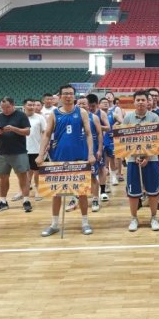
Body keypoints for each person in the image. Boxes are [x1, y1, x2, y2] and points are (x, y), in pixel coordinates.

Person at [36, 84, 96, 236]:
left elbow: (89, 134)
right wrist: (41, 154)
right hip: (59, 157)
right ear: (60, 96)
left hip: (79, 157)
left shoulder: (81, 112)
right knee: (56, 193)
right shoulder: (54, 114)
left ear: (74, 96)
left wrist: (91, 153)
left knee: (82, 192)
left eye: (70, 93)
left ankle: (85, 223)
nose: (68, 96)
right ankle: (54, 224)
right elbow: (47, 135)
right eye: (65, 94)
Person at [122, 90, 159, 232]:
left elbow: (157, 139)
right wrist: (133, 155)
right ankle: (133, 218)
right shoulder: (128, 118)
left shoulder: (154, 117)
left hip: (152, 160)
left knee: (153, 192)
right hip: (132, 161)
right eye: (138, 100)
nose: (141, 102)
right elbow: (123, 140)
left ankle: (154, 217)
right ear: (134, 102)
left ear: (148, 102)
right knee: (133, 192)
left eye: (143, 100)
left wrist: (147, 156)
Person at [0, 97, 31, 213]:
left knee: (23, 177)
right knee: (3, 178)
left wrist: (14, 129)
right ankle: (3, 202)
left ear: (13, 105)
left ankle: (26, 200)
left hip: (19, 152)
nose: (5, 109)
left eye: (7, 107)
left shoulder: (21, 115)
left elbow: (27, 132)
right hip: (2, 152)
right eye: (2, 107)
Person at [18, 98, 46, 202]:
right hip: (22, 149)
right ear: (24, 106)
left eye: (33, 105)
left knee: (37, 171)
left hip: (36, 149)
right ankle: (22, 191)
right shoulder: (19, 117)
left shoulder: (40, 118)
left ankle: (37, 190)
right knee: (23, 172)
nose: (32, 107)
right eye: (29, 105)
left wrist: (44, 147)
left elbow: (45, 133)